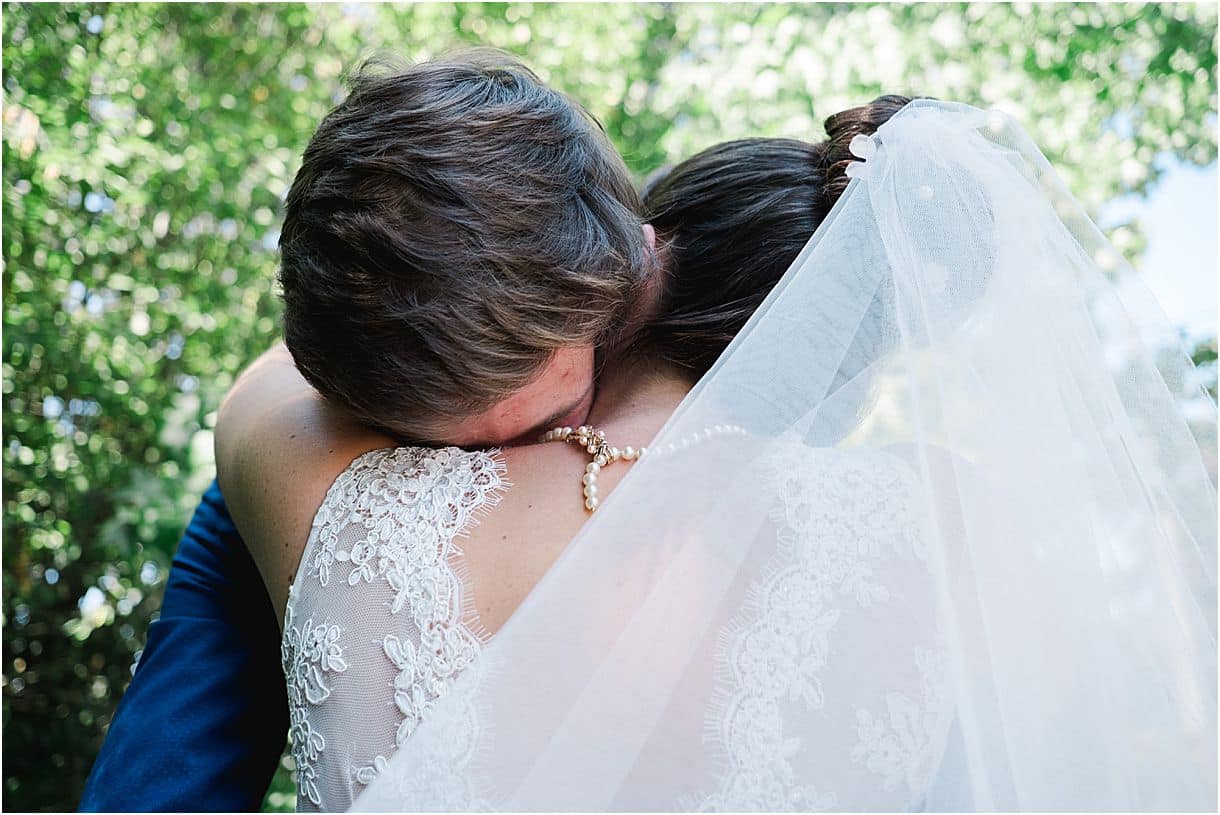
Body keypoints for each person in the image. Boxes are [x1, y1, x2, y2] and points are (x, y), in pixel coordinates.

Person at [228, 98, 1216, 810]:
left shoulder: (337, 489)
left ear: (629, 268)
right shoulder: (947, 521)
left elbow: (333, 324)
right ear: (860, 352)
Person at [81, 49, 656, 811]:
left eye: (552, 420)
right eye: (450, 455)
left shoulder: (669, 323)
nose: (494, 477)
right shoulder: (313, 475)